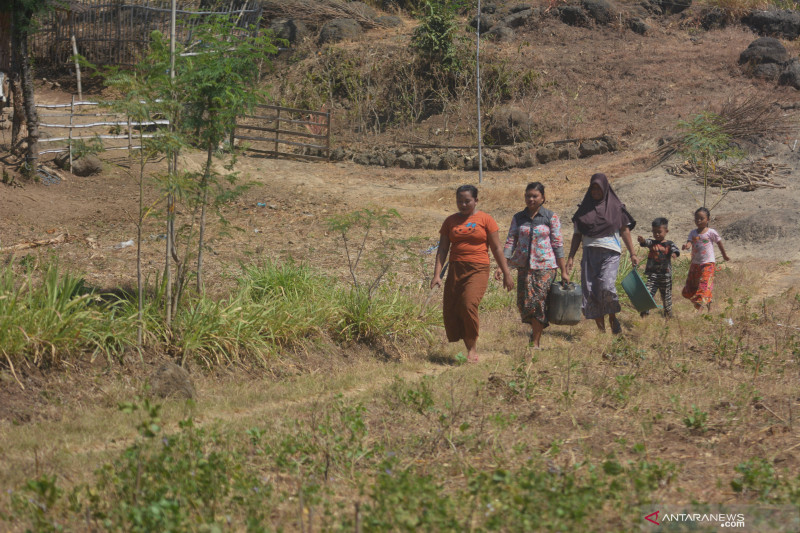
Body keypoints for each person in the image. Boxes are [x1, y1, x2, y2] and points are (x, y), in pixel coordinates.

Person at [431, 185, 514, 362]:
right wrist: (437, 275)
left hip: (478, 268)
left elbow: (497, 247)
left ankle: (472, 349)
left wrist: (506, 272)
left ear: (476, 200)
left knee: (468, 304)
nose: (463, 204)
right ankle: (468, 345)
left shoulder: (486, 219)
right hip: (455, 268)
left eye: (467, 201)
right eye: (459, 201)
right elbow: (443, 248)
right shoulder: (450, 221)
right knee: (454, 308)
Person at [566, 173, 639, 334]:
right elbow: (577, 235)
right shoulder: (583, 210)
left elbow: (625, 230)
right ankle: (601, 331)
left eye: (599, 188)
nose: (595, 191)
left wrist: (633, 253)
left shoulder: (616, 208)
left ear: (605, 188)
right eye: (593, 188)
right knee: (591, 291)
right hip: (589, 254)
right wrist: (571, 256)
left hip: (610, 253)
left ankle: (612, 317)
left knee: (606, 286)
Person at [501, 182, 569, 348]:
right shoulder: (518, 218)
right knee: (524, 303)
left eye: (534, 196)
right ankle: (535, 331)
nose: (530, 199)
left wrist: (564, 271)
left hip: (545, 266)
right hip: (524, 267)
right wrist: (502, 266)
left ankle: (536, 342)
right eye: (528, 196)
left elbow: (557, 244)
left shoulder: (550, 217)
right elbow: (511, 241)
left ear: (543, 198)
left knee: (538, 301)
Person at [681, 207, 730, 312]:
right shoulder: (693, 233)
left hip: (708, 263)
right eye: (696, 218)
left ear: (708, 219)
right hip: (695, 264)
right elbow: (689, 242)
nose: (698, 221)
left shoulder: (711, 232)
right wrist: (687, 246)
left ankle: (700, 311)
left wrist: (724, 255)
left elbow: (719, 243)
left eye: (701, 218)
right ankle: (706, 303)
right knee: (690, 288)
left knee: (704, 285)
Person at [637, 217, 680, 318]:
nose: (656, 234)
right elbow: (645, 242)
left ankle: (668, 315)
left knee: (666, 297)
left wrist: (674, 253)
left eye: (659, 232)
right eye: (654, 232)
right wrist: (642, 240)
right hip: (652, 275)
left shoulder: (669, 244)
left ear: (666, 231)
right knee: (647, 294)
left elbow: (675, 249)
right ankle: (644, 314)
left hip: (665, 276)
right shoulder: (652, 243)